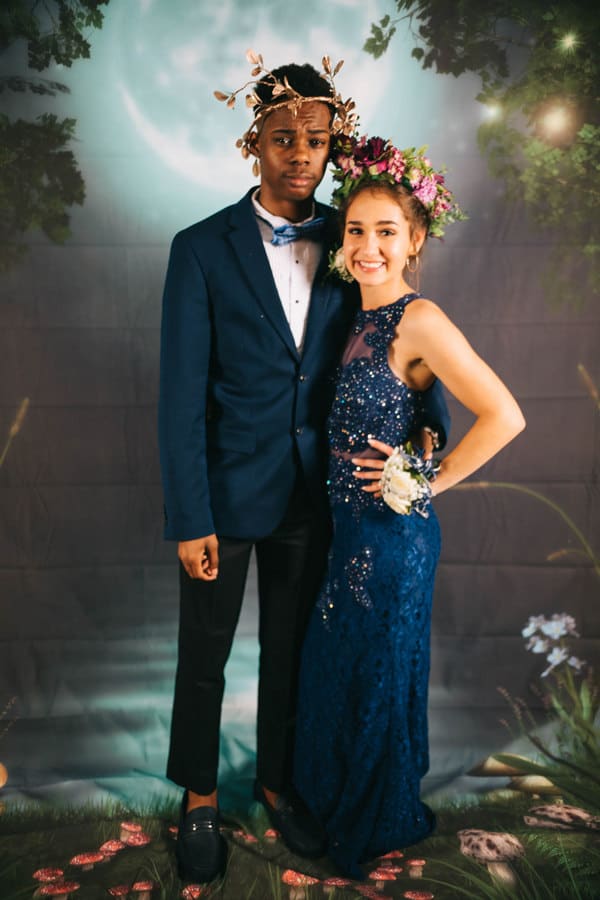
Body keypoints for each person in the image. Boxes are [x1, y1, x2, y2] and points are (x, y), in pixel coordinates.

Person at [158, 58, 449, 884]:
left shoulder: (352, 238)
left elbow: (397, 339)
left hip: (318, 495)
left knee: (290, 650)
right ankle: (199, 798)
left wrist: (428, 433)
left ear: (331, 147)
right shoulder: (200, 249)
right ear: (253, 143)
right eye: (282, 139)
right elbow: (178, 395)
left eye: (315, 141)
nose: (300, 154)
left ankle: (278, 785)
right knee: (205, 652)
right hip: (223, 492)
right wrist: (189, 515)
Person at [294, 136, 526, 879]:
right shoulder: (353, 316)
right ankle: (342, 803)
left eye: (386, 232)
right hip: (348, 536)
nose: (369, 247)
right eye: (356, 231)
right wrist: (419, 444)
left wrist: (422, 481)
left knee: (375, 675)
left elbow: (505, 415)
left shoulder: (418, 318)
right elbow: (421, 415)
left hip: (393, 541)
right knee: (344, 669)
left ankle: (371, 820)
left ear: (415, 239)